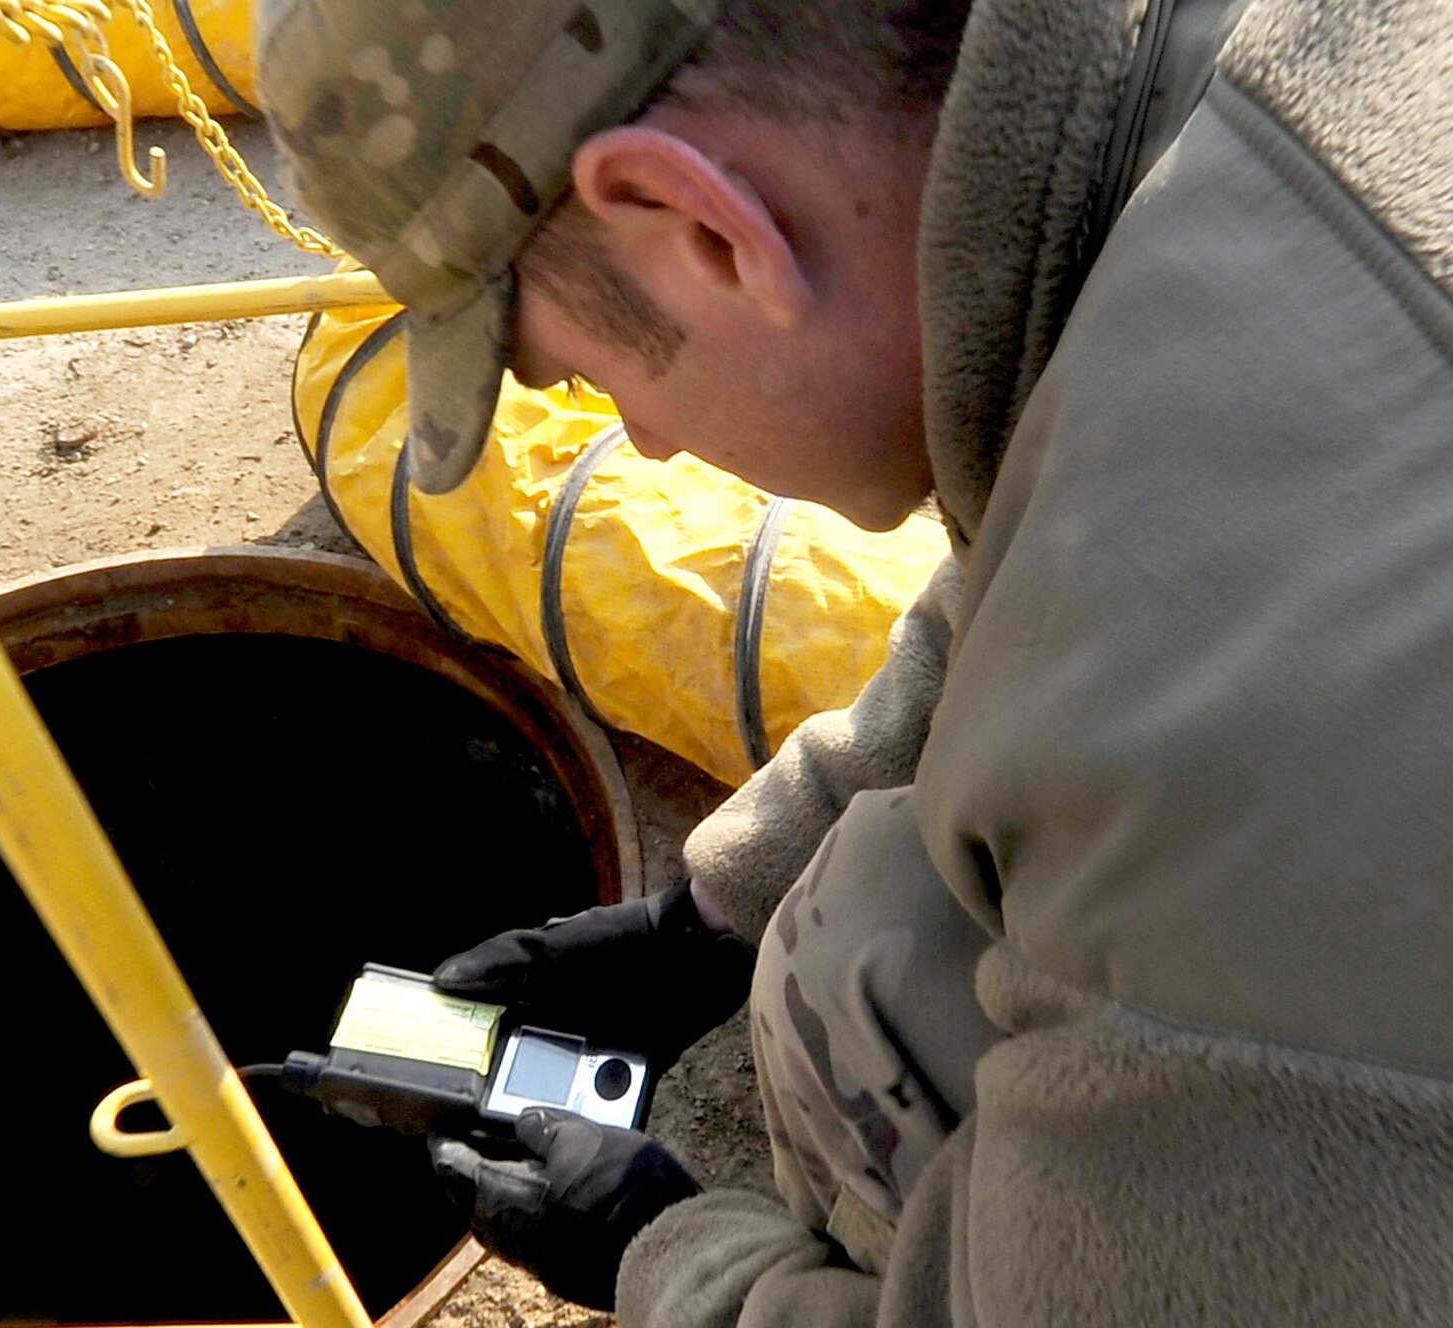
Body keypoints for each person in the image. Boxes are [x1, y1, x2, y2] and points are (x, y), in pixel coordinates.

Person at [258, 0, 1453, 1322]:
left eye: (588, 377)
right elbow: (1035, 553)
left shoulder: (1216, 813)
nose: (642, 446)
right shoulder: (1232, 107)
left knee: (867, 977)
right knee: (870, 911)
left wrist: (671, 1258)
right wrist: (710, 919)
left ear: (702, 226)